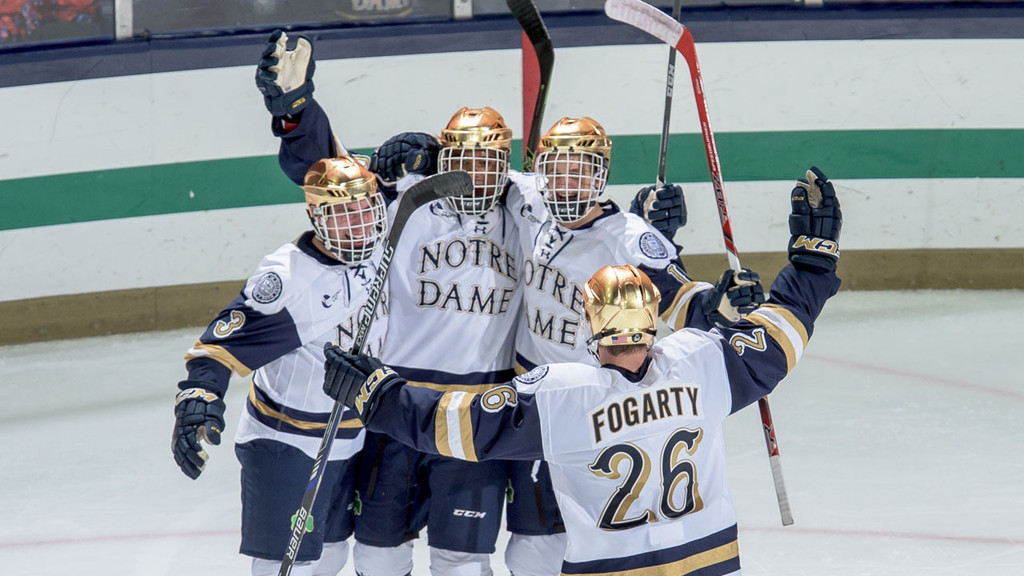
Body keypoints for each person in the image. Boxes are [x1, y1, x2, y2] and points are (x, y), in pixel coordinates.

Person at [320, 166, 843, 576]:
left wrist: (378, 394)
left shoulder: (564, 393)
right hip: (710, 563)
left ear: (591, 325)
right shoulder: (701, 361)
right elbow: (782, 335)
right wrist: (812, 263)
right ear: (652, 319)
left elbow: (457, 425)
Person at [257, 31, 527, 576]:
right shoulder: (409, 199)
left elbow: (593, 216)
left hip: (480, 410)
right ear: (445, 157)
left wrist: (648, 217)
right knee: (379, 556)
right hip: (393, 405)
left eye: (490, 160)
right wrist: (295, 108)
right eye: (463, 158)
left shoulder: (530, 206)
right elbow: (328, 175)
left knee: (463, 560)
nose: (478, 172)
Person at [171, 155, 390, 576]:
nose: (358, 225)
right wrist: (199, 394)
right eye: (342, 215)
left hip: (351, 437)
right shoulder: (290, 279)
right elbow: (219, 345)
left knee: (331, 556)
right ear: (315, 215)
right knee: (284, 568)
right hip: (287, 443)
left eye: (365, 211)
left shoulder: (383, 249)